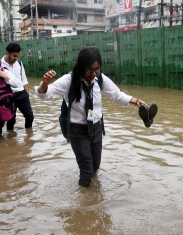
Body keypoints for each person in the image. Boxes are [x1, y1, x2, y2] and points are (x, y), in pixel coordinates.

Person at [35, 46, 150, 188]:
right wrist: (45, 83)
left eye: (97, 69)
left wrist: (136, 101)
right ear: (81, 66)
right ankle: (84, 205)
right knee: (87, 171)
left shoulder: (99, 79)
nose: (94, 73)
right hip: (78, 131)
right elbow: (45, 94)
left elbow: (116, 95)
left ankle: (93, 196)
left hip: (96, 128)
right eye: (90, 69)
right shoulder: (69, 80)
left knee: (95, 166)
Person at [1, 42, 34, 130]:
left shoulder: (19, 63)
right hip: (9, 95)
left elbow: (23, 79)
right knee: (11, 120)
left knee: (30, 116)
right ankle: (10, 138)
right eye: (14, 56)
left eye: (17, 56)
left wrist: (26, 94)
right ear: (8, 53)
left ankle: (29, 136)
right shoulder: (0, 65)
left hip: (22, 94)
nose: (16, 58)